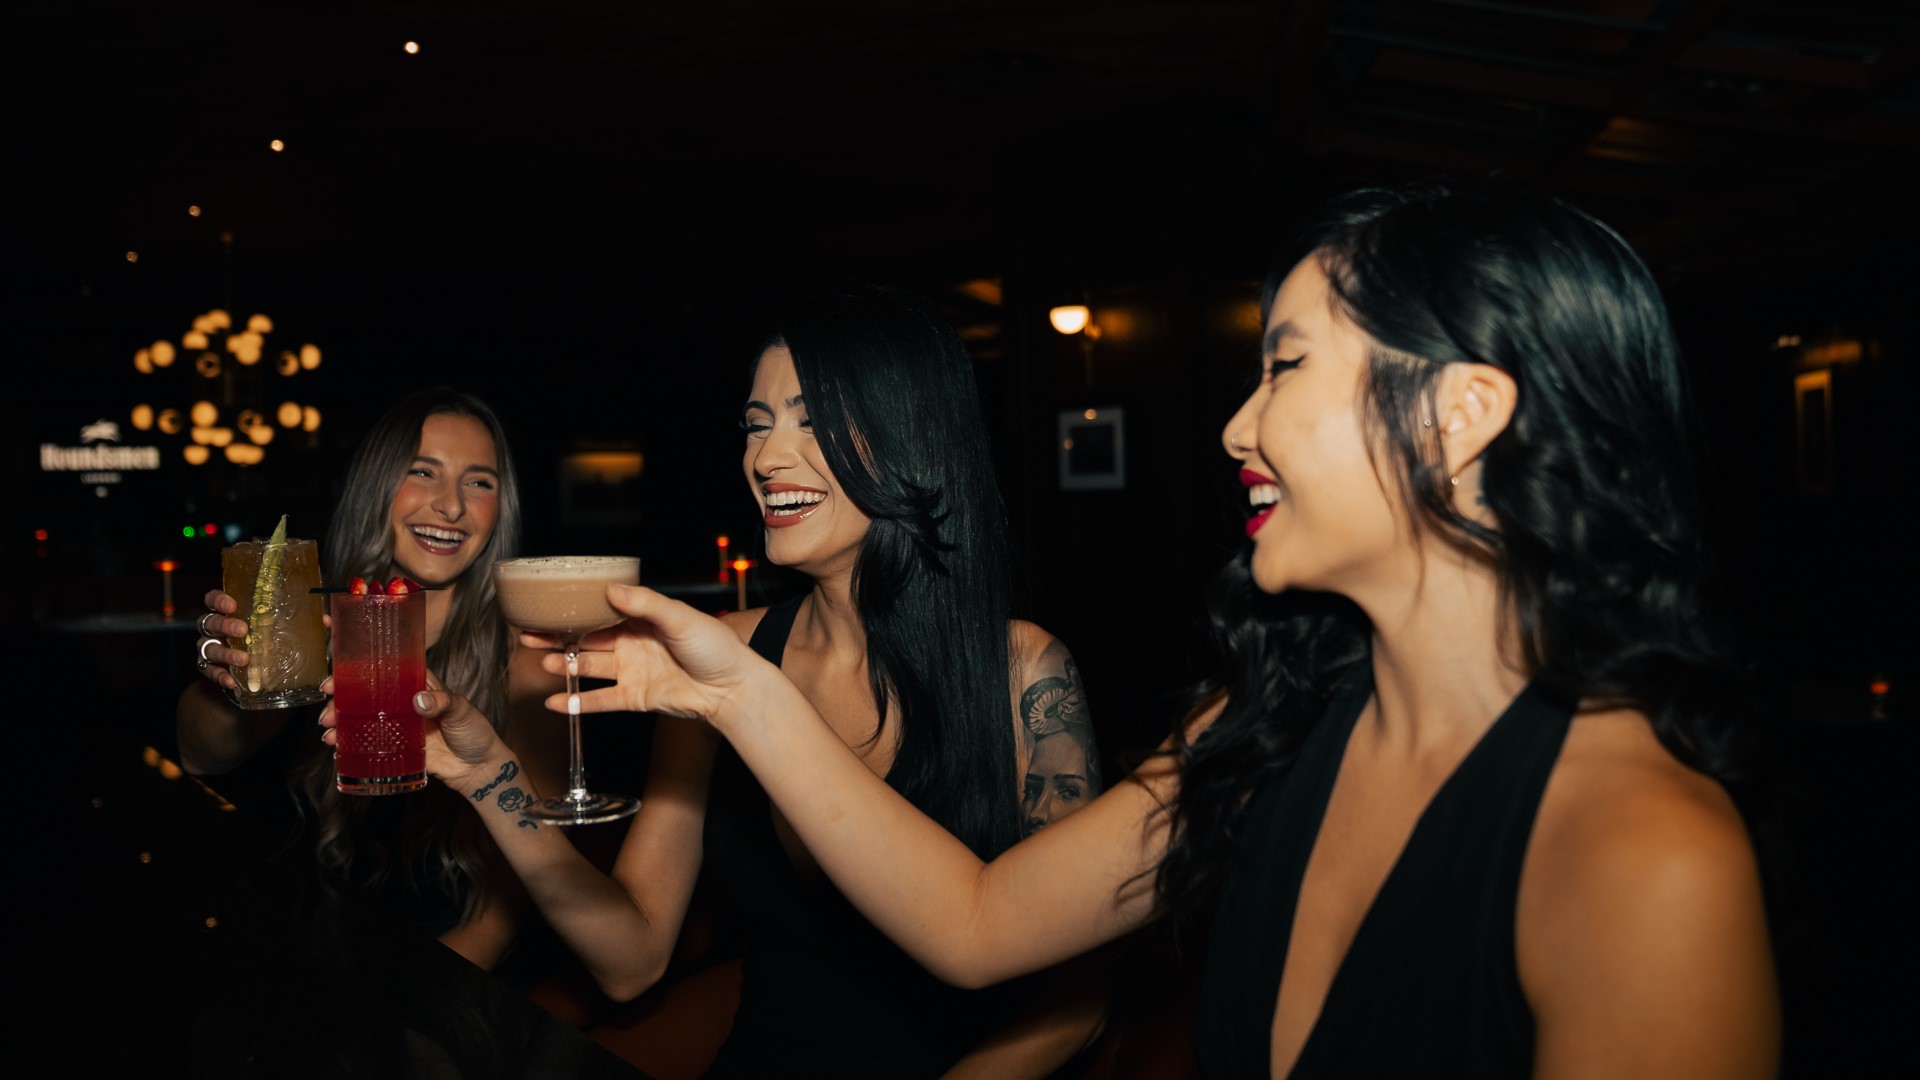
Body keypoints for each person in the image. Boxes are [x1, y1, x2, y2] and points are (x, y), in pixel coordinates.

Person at [548, 182, 1782, 1077]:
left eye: (1287, 368)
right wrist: (732, 694)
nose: (1239, 429)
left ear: (1459, 416)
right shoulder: (1264, 731)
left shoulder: (1645, 854)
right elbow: (978, 927)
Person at [390, 283, 1110, 1077]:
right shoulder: (721, 652)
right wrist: (492, 777)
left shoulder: (1025, 672)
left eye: (814, 421)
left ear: (912, 433)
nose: (766, 459)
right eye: (758, 425)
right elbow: (630, 957)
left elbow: (1074, 1001)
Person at [178, 387, 562, 970]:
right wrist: (233, 681)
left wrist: (417, 1015)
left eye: (479, 481)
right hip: (308, 954)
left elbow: (520, 892)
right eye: (422, 471)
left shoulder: (529, 661)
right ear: (376, 486)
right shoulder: (312, 618)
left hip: (450, 973)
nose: (451, 506)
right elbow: (201, 756)